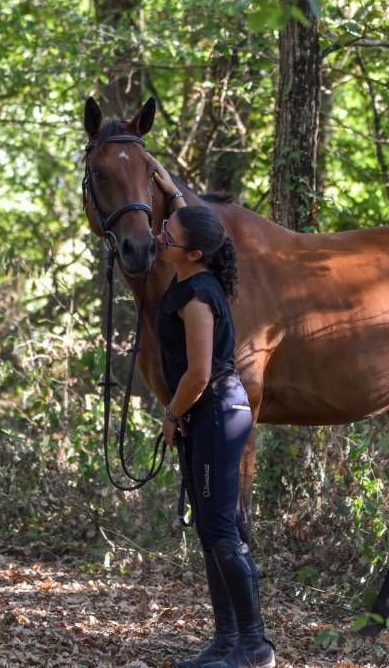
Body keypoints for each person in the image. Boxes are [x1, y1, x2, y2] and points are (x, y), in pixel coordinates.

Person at [151, 161, 275, 668]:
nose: (160, 237)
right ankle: (226, 643)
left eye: (168, 235)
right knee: (211, 529)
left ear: (193, 253)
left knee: (222, 531)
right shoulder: (196, 270)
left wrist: (170, 414)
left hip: (216, 412)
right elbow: (193, 226)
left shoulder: (200, 297)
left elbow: (198, 374)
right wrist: (169, 189)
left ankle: (254, 645)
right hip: (208, 418)